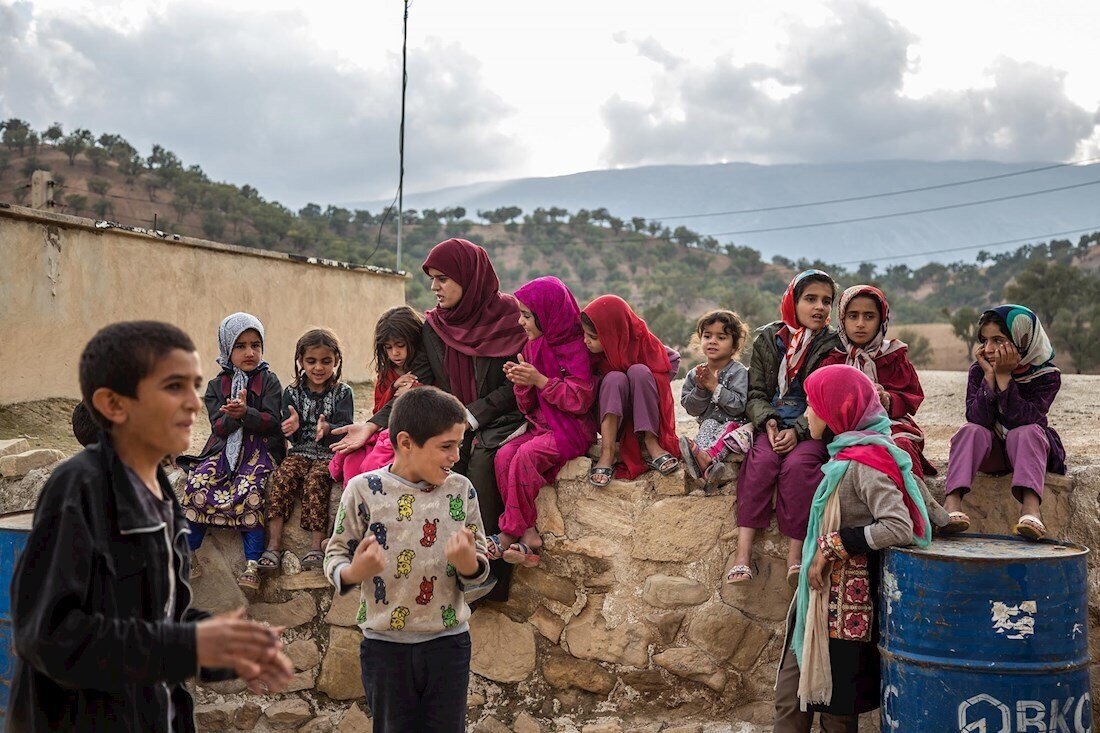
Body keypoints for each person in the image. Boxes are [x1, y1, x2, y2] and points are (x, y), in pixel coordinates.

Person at [8, 321, 292, 733]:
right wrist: (188, 645)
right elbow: (48, 637)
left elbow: (159, 620)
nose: (194, 404)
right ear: (113, 404)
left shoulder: (159, 492)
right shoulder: (80, 487)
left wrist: (226, 649)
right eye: (172, 388)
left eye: (194, 386)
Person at [332, 238, 527, 600]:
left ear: (470, 279)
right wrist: (373, 424)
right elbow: (416, 385)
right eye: (432, 279)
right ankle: (444, 567)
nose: (434, 288)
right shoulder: (435, 328)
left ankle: (488, 574)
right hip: (455, 421)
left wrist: (473, 415)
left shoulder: (509, 320)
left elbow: (512, 386)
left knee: (482, 459)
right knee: (442, 464)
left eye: (442, 279)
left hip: (501, 416)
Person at [774, 364, 934, 733]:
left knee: (838, 707)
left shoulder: (867, 463)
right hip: (817, 599)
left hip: (847, 605)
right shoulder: (843, 456)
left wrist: (833, 546)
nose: (807, 413)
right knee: (790, 696)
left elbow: (899, 525)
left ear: (836, 411)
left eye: (814, 405)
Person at [324, 386, 491, 733]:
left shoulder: (461, 490)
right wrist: (354, 571)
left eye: (458, 445)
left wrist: (468, 565)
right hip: (386, 650)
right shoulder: (362, 491)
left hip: (448, 644)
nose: (456, 456)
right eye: (446, 446)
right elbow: (336, 555)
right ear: (406, 442)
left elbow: (478, 564)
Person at [731, 270, 841, 585]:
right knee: (761, 461)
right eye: (810, 299)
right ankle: (742, 554)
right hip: (773, 420)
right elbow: (756, 394)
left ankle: (795, 556)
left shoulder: (832, 344)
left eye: (826, 301)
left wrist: (798, 432)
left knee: (800, 466)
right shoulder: (770, 338)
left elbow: (825, 400)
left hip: (813, 423)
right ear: (792, 301)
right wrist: (767, 421)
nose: (819, 307)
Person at [492, 276, 597, 566]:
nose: (520, 322)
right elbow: (528, 406)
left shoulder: (576, 347)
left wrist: (539, 379)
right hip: (543, 427)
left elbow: (580, 400)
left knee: (526, 455)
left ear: (548, 314)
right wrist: (521, 383)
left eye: (526, 315)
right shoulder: (531, 347)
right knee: (503, 455)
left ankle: (508, 532)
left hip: (572, 431)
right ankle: (528, 533)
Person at [177, 313, 283, 590]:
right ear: (227, 348)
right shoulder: (216, 386)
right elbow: (219, 428)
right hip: (223, 450)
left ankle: (252, 565)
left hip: (259, 449)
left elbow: (272, 422)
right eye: (240, 346)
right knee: (198, 482)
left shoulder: (268, 381)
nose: (250, 352)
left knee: (251, 488)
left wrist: (246, 412)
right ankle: (187, 555)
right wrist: (234, 417)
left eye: (255, 345)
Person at [942, 305, 1065, 540]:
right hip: (994, 454)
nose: (989, 349)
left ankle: (1031, 510)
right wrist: (989, 377)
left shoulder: (1047, 376)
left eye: (998, 340)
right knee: (970, 430)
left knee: (1027, 431)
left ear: (1023, 339)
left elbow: (1024, 418)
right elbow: (977, 417)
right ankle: (952, 503)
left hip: (1028, 451)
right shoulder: (979, 371)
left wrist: (1005, 377)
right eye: (985, 340)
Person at [262, 327, 353, 572]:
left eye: (326, 361)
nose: (318, 368)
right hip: (300, 451)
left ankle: (315, 546)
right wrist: (291, 429)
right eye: (311, 361)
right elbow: (291, 433)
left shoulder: (343, 393)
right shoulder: (291, 393)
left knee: (317, 480)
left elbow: (346, 427)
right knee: (283, 477)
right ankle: (274, 544)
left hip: (328, 454)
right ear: (300, 361)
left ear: (336, 361)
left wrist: (328, 429)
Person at [820, 286, 935, 479]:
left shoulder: (894, 356)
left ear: (882, 319)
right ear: (842, 319)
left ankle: (912, 501)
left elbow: (912, 396)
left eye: (869, 316)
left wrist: (887, 399)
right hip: (845, 428)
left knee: (901, 447)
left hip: (891, 424)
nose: (860, 324)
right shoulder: (832, 361)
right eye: (853, 316)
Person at [581, 294, 681, 486]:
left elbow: (672, 360)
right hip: (612, 422)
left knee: (640, 371)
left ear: (614, 333)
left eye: (592, 337)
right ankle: (608, 451)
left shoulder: (640, 340)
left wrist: (646, 388)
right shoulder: (590, 355)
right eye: (584, 334)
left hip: (645, 419)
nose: (586, 341)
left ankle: (651, 441)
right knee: (614, 378)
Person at [329, 306, 424, 487]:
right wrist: (393, 387)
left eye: (400, 345)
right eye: (388, 347)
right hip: (382, 432)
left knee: (374, 463)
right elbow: (378, 412)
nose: (394, 353)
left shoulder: (424, 372)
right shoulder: (386, 374)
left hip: (408, 437)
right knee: (352, 460)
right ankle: (354, 503)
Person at [679, 309, 753, 492]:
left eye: (721, 337)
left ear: (734, 346)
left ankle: (707, 458)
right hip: (709, 423)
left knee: (726, 429)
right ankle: (705, 466)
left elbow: (738, 406)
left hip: (736, 425)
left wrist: (715, 387)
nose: (712, 341)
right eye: (707, 336)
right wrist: (701, 388)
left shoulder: (738, 372)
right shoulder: (695, 374)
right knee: (708, 425)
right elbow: (691, 409)